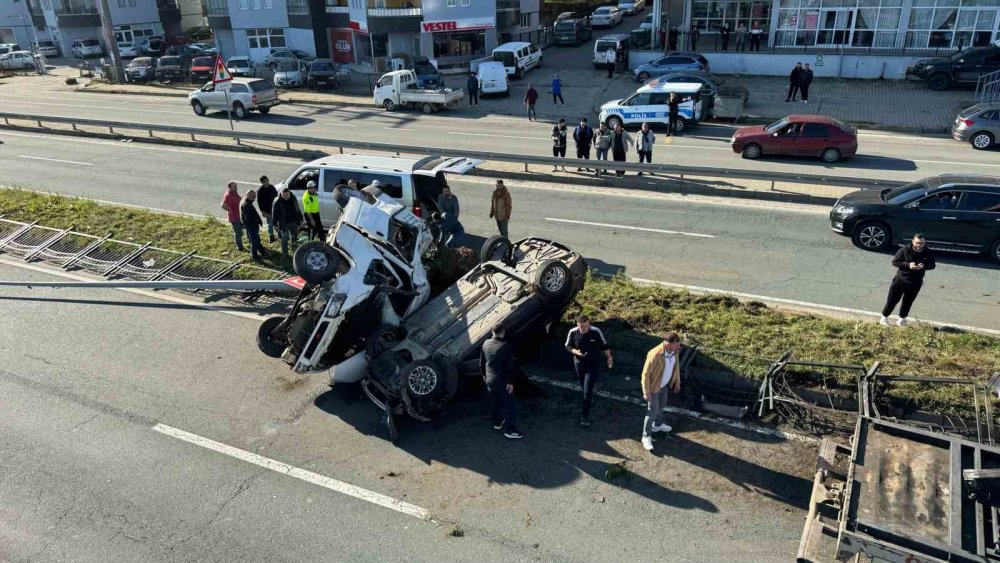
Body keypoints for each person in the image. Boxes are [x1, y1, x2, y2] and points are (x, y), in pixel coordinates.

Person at [565, 315, 613, 426]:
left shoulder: (596, 332)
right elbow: (567, 346)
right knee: (582, 383)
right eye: (581, 327)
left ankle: (584, 416)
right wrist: (576, 352)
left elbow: (604, 345)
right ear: (577, 325)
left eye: (586, 326)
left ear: (589, 323)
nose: (584, 329)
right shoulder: (573, 332)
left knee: (587, 392)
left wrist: (609, 358)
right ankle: (588, 398)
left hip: (592, 365)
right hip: (579, 364)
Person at [880, 234, 935, 327]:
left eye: (921, 243)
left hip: (916, 282)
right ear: (913, 242)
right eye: (917, 243)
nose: (919, 245)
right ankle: (884, 318)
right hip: (900, 280)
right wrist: (908, 265)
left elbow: (932, 265)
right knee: (892, 300)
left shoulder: (928, 252)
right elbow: (895, 262)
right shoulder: (905, 250)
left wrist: (923, 265)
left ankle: (901, 320)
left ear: (924, 243)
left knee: (908, 302)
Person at [640, 332, 682, 452]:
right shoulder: (655, 354)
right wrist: (646, 391)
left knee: (662, 406)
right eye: (676, 345)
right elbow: (645, 374)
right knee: (652, 411)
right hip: (653, 388)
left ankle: (657, 425)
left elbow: (676, 367)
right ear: (668, 344)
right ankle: (646, 436)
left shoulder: (675, 352)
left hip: (664, 386)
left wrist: (677, 382)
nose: (679, 347)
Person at [480, 322, 523, 439]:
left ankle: (497, 423)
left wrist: (484, 375)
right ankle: (510, 430)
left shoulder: (485, 343)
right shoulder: (505, 346)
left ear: (492, 332)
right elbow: (509, 367)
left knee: (495, 402)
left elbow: (482, 363)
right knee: (510, 405)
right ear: (503, 333)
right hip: (501, 380)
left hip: (489, 379)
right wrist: (510, 382)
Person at [271, 186, 302, 256]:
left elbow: (297, 208)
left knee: (295, 234)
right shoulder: (277, 201)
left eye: (287, 195)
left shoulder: (293, 198)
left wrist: (300, 217)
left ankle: (293, 245)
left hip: (293, 221)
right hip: (283, 223)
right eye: (284, 195)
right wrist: (275, 225)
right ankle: (285, 253)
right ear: (281, 194)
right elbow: (274, 214)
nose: (286, 197)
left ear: (289, 193)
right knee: (284, 238)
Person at [240, 189, 264, 262]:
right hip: (251, 226)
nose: (253, 197)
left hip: (252, 226)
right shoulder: (247, 205)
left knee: (256, 239)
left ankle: (262, 251)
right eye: (251, 196)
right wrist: (255, 222)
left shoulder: (248, 202)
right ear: (247, 195)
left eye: (254, 196)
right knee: (254, 241)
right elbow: (248, 219)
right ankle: (254, 256)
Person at [220, 181, 245, 252]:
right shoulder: (228, 195)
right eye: (234, 187)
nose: (236, 188)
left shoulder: (234, 193)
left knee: (241, 231)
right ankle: (239, 247)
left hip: (239, 215)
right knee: (238, 233)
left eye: (236, 186)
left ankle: (241, 244)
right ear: (229, 187)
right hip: (234, 218)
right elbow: (223, 205)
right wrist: (230, 210)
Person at [257, 175, 278, 243]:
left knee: (276, 222)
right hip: (267, 210)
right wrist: (262, 211)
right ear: (262, 183)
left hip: (274, 208)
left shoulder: (272, 187)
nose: (266, 182)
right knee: (270, 224)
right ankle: (271, 236)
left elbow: (276, 196)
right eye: (264, 181)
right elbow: (259, 201)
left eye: (267, 180)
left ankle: (279, 234)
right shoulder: (260, 191)